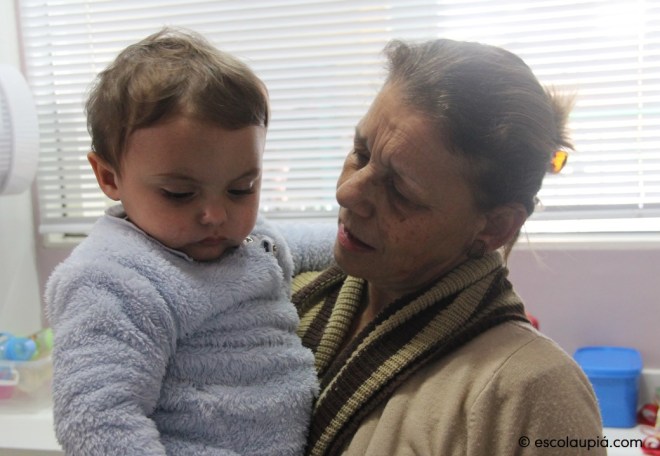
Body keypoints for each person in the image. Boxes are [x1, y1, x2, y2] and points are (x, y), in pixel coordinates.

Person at [292, 39, 606, 456]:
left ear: (495, 226)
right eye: (360, 153)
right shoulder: (282, 302)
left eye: (400, 190)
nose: (348, 192)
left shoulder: (531, 393)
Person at [45, 28, 333, 455]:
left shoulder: (253, 238)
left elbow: (322, 244)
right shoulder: (110, 279)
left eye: (241, 189)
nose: (215, 215)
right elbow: (98, 421)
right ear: (109, 177)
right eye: (179, 194)